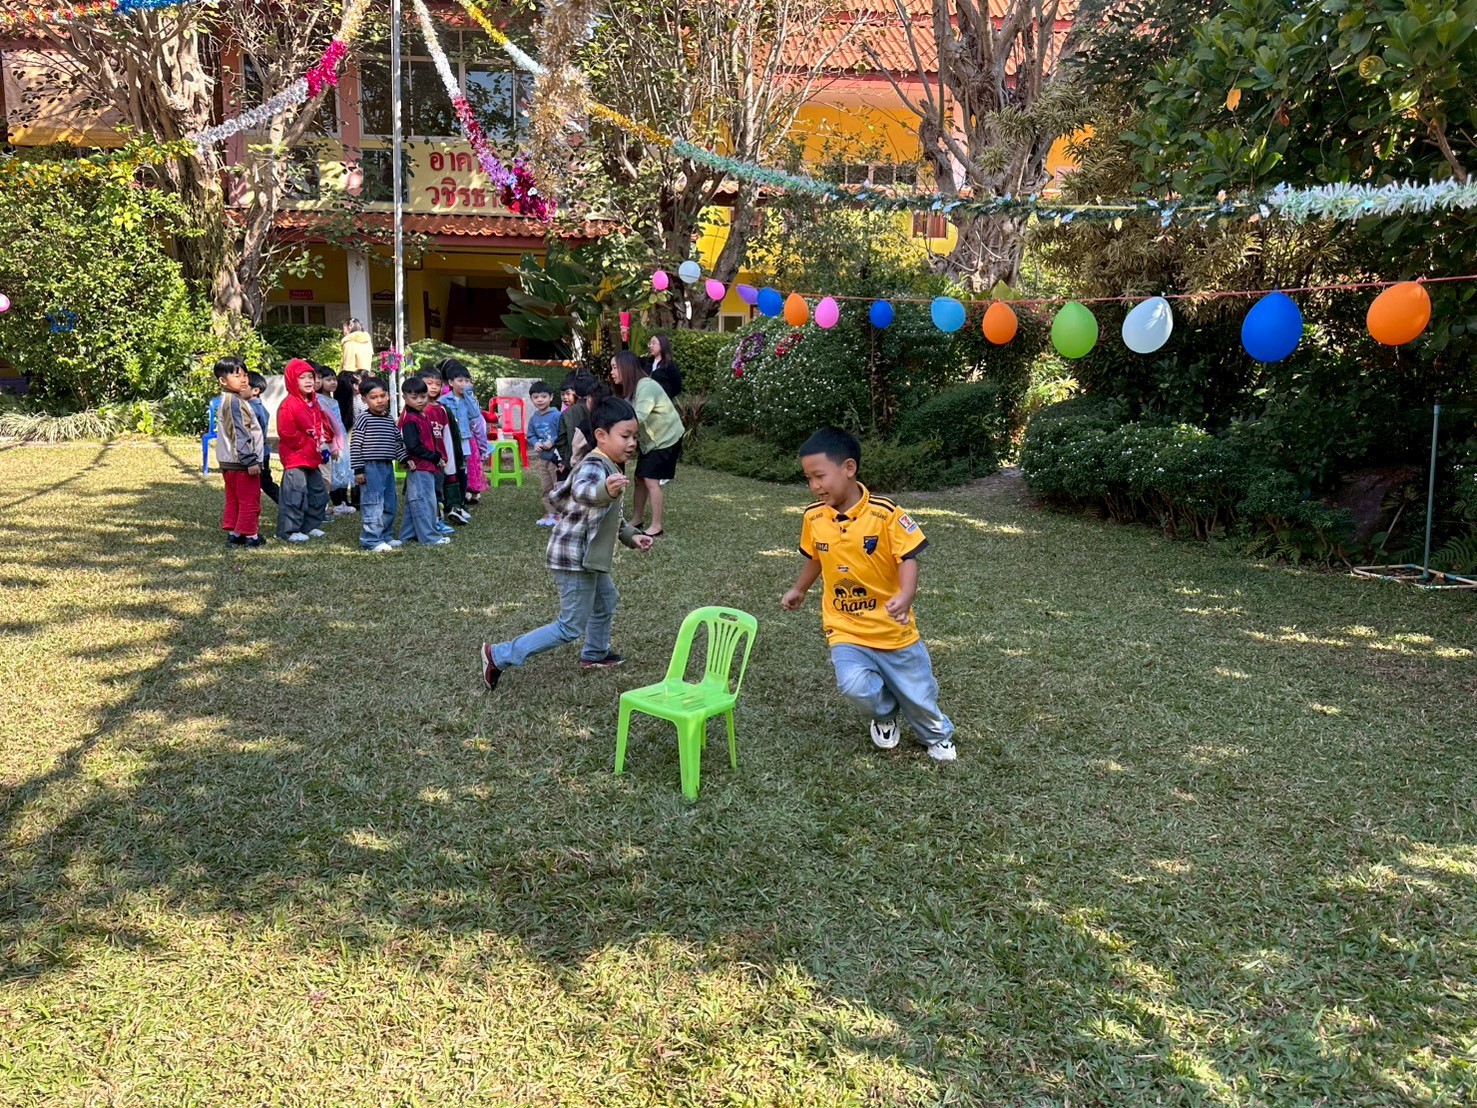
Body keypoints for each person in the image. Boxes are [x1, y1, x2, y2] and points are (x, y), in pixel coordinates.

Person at [780, 428, 958, 762]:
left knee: (918, 694)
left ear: (848, 468)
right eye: (808, 479)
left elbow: (907, 557)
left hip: (892, 629)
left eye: (820, 476)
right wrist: (799, 589)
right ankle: (885, 714)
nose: (815, 486)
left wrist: (906, 595)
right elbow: (815, 557)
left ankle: (936, 735)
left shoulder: (885, 513)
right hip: (844, 627)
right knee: (855, 687)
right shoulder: (813, 517)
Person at [479, 396, 656, 691]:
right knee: (570, 626)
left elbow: (610, 516)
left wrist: (631, 535)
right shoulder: (595, 465)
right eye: (625, 436)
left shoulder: (611, 465)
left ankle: (596, 653)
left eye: (634, 437)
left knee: (605, 601)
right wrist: (605, 490)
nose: (631, 443)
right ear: (601, 435)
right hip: (574, 558)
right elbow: (585, 492)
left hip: (590, 557)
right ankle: (499, 655)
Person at [610, 350, 684, 539]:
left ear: (626, 368)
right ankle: (637, 519)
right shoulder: (631, 388)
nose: (612, 372)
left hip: (666, 438)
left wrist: (612, 432)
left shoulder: (646, 386)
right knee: (639, 478)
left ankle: (657, 526)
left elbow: (638, 417)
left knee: (651, 480)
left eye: (615, 367)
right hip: (650, 442)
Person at [274, 358, 332, 543]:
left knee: (318, 493)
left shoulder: (313, 402)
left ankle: (309, 526)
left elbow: (321, 423)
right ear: (292, 380)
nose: (308, 381)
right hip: (295, 457)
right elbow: (286, 432)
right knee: (295, 494)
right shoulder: (288, 404)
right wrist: (307, 441)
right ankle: (288, 531)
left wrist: (323, 440)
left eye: (310, 377)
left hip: (312, 456)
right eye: (302, 377)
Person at [213, 357, 266, 548]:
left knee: (235, 499)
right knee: (249, 500)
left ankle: (235, 533)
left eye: (245, 375)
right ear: (223, 381)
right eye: (237, 376)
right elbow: (240, 432)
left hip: (229, 462)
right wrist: (250, 460)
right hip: (241, 462)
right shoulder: (234, 403)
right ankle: (251, 535)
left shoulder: (228, 399)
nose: (243, 379)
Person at [351, 377, 405, 553]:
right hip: (370, 467)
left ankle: (385, 535)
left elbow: (397, 441)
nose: (379, 400)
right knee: (373, 502)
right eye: (373, 397)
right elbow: (356, 445)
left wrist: (404, 459)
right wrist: (359, 470)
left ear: (388, 396)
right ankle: (371, 539)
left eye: (382, 396)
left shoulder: (389, 418)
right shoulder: (363, 419)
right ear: (364, 399)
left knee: (389, 501)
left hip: (387, 465)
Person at [397, 375, 451, 547]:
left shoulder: (422, 415)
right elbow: (413, 446)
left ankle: (407, 535)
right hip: (419, 467)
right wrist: (434, 456)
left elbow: (429, 441)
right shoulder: (410, 419)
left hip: (427, 466)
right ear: (405, 397)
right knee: (424, 503)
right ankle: (429, 537)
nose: (420, 401)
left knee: (415, 502)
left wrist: (437, 457)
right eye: (414, 397)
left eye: (423, 396)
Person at [437, 360, 488, 514]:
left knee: (462, 474)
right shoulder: (444, 400)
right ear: (450, 382)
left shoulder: (470, 400)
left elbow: (475, 415)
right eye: (460, 380)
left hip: (464, 442)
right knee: (448, 473)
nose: (464, 384)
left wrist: (469, 397)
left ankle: (461, 503)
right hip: (449, 442)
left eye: (467, 380)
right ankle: (447, 502)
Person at [419, 364, 466, 530]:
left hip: (441, 459)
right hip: (422, 460)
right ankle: (426, 522)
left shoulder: (442, 410)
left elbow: (448, 438)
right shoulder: (414, 410)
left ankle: (445, 515)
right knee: (424, 492)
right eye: (429, 383)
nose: (433, 387)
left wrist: (450, 460)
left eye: (437, 384)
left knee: (440, 489)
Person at [314, 363, 354, 518]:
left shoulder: (333, 400)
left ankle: (342, 502)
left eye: (334, 379)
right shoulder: (319, 400)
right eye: (328, 379)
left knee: (342, 469)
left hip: (340, 437)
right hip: (331, 441)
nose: (333, 382)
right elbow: (328, 425)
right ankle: (336, 504)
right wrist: (334, 445)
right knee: (333, 473)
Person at [526, 380, 563, 526]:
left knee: (558, 486)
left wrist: (552, 441)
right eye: (536, 397)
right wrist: (535, 442)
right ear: (531, 399)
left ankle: (561, 513)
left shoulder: (557, 415)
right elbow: (530, 435)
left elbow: (562, 433)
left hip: (556, 458)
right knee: (546, 486)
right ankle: (550, 513)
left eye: (543, 396)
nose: (540, 400)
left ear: (551, 397)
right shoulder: (534, 418)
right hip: (543, 459)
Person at [246, 371, 279, 505]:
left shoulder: (253, 410)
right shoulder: (256, 407)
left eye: (244, 385)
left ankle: (289, 506)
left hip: (259, 453)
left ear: (255, 391)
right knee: (263, 483)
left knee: (266, 483)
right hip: (260, 452)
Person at [644, 333, 683, 400]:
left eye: (653, 343)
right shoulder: (647, 362)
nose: (650, 346)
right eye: (650, 343)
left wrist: (666, 397)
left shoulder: (670, 366)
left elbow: (677, 387)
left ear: (662, 345)